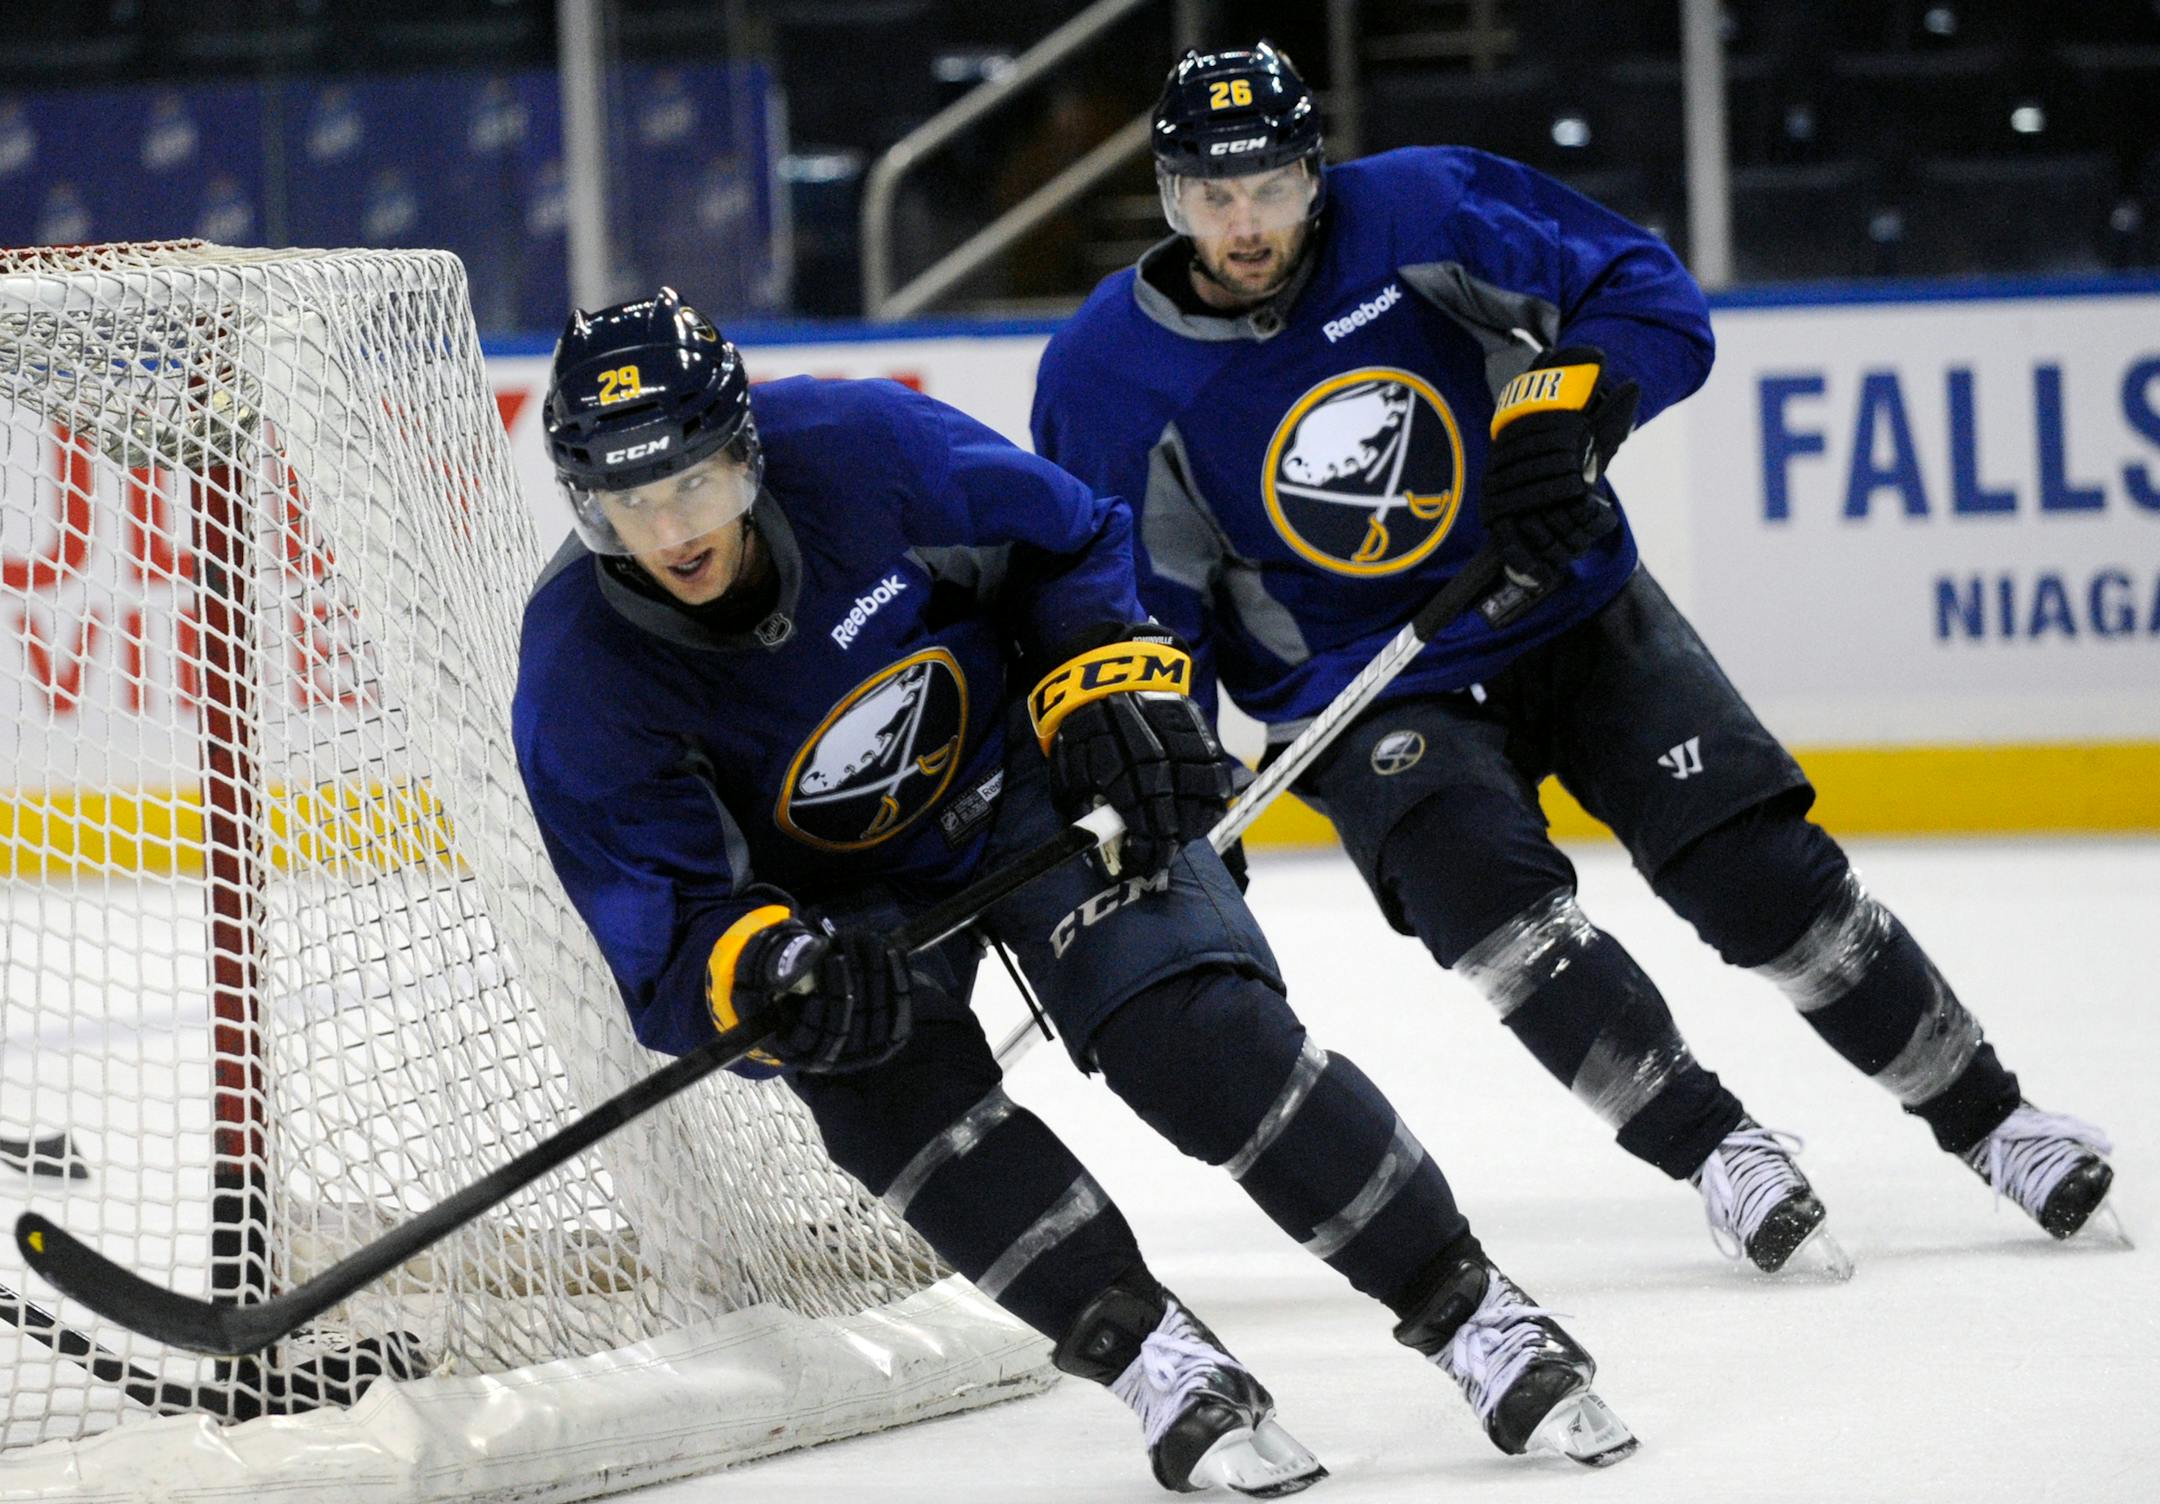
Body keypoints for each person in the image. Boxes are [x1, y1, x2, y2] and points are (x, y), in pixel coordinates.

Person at [512, 290, 1641, 1494]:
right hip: (843, 906)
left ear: (747, 450)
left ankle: (1469, 1307)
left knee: (1197, 1034)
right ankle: (1158, 1360)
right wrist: (777, 974)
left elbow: (1068, 540)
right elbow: (669, 934)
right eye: (629, 504)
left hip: (1032, 784)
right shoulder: (580, 679)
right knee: (889, 1098)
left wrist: (1105, 683)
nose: (672, 530)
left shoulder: (866, 450)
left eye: (695, 485)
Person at [1030, 42, 2118, 1278]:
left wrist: (1569, 404)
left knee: (1758, 869)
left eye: (1271, 187)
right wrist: (1170, 762)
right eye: (1211, 196)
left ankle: (1993, 1119)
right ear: (1168, 198)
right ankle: (1719, 1151)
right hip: (1371, 692)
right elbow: (1142, 610)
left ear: (1315, 174)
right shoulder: (1104, 377)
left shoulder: (1429, 209)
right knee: (1498, 911)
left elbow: (1645, 293)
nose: (1244, 224)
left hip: (1574, 605)